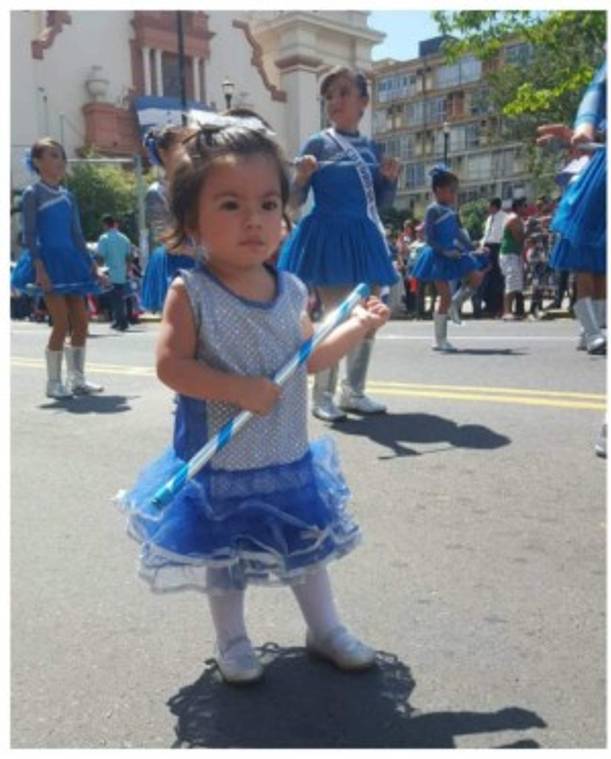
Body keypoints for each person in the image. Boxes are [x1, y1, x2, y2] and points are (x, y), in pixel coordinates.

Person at [116, 123, 391, 684]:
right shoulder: (191, 292)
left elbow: (309, 358)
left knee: (305, 549)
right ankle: (233, 641)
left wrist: (356, 327)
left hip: (285, 455)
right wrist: (239, 389)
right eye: (230, 204)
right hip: (221, 464)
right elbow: (172, 367)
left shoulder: (291, 288)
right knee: (225, 559)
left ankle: (325, 628)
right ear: (192, 221)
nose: (254, 220)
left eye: (268, 204)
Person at [278, 66, 400, 422]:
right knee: (340, 314)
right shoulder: (318, 144)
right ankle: (323, 395)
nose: (335, 101)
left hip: (363, 237)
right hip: (330, 237)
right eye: (329, 95)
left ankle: (354, 391)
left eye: (344, 93)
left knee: (370, 315)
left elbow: (381, 203)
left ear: (364, 101)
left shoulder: (372, 148)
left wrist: (389, 181)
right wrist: (301, 177)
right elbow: (294, 203)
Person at [11, 138, 105, 398]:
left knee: (82, 323)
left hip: (71, 262)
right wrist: (40, 269)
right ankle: (53, 383)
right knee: (61, 323)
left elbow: (77, 234)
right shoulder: (33, 193)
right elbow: (30, 235)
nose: (60, 161)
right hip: (48, 262)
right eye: (53, 155)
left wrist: (93, 267)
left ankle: (77, 379)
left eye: (61, 155)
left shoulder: (68, 196)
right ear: (37, 161)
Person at [537, 62, 608, 355]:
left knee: (602, 272)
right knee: (585, 269)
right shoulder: (608, 76)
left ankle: (592, 329)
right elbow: (593, 99)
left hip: (602, 197)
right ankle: (592, 332)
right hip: (586, 201)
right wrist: (572, 132)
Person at [411, 166, 486, 351]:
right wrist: (444, 251)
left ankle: (456, 303)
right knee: (444, 296)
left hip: (454, 252)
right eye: (450, 190)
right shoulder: (433, 210)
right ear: (438, 190)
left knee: (476, 276)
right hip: (438, 257)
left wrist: (474, 248)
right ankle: (440, 339)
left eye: (455, 191)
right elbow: (429, 238)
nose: (454, 195)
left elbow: (458, 233)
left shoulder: (452, 210)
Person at [140, 125, 196, 314]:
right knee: (181, 319)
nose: (189, 151)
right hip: (176, 262)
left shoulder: (197, 185)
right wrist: (204, 255)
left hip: (201, 257)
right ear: (163, 153)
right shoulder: (157, 192)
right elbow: (166, 237)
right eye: (182, 145)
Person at [95, 214, 133, 331]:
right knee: (118, 297)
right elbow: (129, 257)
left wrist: (97, 269)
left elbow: (100, 257)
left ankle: (122, 322)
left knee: (116, 298)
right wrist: (128, 270)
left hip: (109, 272)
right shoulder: (124, 238)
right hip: (121, 272)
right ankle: (117, 321)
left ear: (105, 225)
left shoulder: (104, 238)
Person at [478, 197, 509, 318]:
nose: (488, 208)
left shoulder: (504, 217)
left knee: (497, 278)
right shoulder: (489, 218)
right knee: (487, 278)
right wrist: (481, 245)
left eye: (489, 206)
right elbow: (486, 234)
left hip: (497, 247)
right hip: (487, 248)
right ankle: (489, 304)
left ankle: (498, 306)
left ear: (494, 206)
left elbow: (503, 235)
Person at [500, 197, 528, 320]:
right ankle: (507, 311)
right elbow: (519, 238)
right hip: (510, 253)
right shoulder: (514, 219)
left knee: (514, 283)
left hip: (512, 253)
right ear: (518, 207)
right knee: (511, 283)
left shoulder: (515, 218)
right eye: (524, 206)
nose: (526, 208)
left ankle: (509, 311)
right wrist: (529, 232)